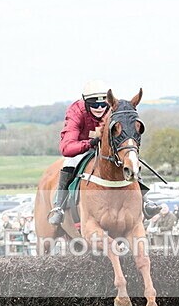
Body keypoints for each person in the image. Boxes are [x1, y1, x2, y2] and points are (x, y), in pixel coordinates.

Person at [48, 80, 157, 224]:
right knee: (70, 162)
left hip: (109, 149)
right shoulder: (75, 111)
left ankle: (145, 201)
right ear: (86, 102)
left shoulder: (114, 108)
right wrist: (90, 143)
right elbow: (66, 147)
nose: (99, 108)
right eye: (94, 104)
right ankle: (58, 207)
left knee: (130, 159)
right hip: (83, 147)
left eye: (103, 104)